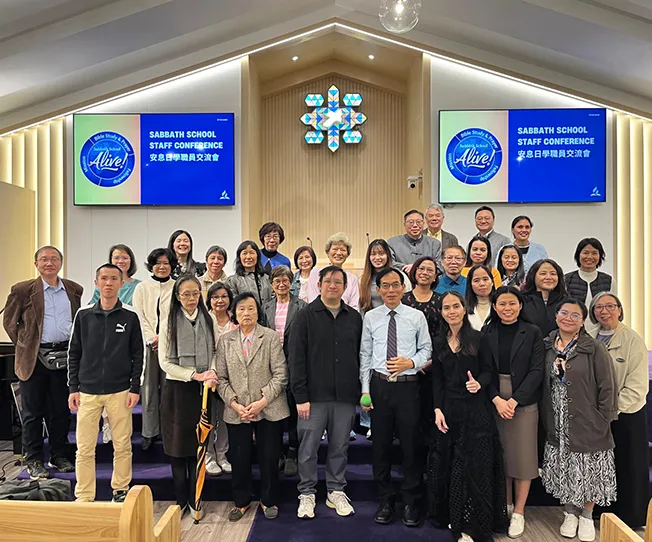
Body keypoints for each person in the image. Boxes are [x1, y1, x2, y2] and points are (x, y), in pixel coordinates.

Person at [427, 291, 508, 542]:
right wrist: (437, 409)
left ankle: (472, 524)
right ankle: (453, 516)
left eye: (456, 306)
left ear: (464, 309)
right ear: (441, 312)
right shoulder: (438, 341)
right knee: (449, 465)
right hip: (449, 411)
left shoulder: (478, 338)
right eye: (446, 307)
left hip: (475, 410)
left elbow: (488, 371)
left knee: (475, 468)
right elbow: (437, 379)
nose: (451, 311)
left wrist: (478, 384)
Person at [360, 268, 432, 527]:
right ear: (378, 290)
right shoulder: (371, 317)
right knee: (380, 446)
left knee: (411, 446)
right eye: (385, 286)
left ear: (404, 288)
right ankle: (386, 499)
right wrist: (365, 390)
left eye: (395, 285)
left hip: (408, 387)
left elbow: (427, 349)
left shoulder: (416, 316)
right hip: (379, 387)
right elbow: (365, 355)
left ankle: (411, 501)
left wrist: (410, 362)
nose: (390, 290)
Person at [289, 266, 363, 520]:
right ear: (319, 285)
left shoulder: (354, 318)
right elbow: (296, 359)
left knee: (339, 446)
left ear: (345, 287)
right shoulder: (304, 316)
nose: (333, 285)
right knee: (308, 449)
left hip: (344, 397)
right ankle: (307, 492)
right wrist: (300, 397)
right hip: (313, 398)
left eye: (338, 282)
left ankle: (336, 490)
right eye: (328, 281)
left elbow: (360, 356)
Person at [3, 246, 82, 480]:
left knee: (60, 412)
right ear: (36, 263)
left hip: (64, 357)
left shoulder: (73, 289)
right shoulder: (22, 290)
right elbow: (10, 323)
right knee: (33, 413)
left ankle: (59, 454)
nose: (49, 263)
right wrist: (27, 344)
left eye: (54, 259)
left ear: (61, 263)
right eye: (44, 259)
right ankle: (34, 459)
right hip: (33, 360)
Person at [541, 299, 617, 542]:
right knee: (565, 466)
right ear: (556, 316)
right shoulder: (547, 346)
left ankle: (586, 515)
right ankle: (570, 512)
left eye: (575, 315)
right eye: (564, 313)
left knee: (589, 467)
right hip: (557, 417)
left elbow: (608, 386)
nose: (568, 318)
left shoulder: (593, 347)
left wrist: (603, 418)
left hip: (588, 418)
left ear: (583, 321)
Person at [67, 263, 144, 503]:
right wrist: (73, 388)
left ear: (121, 283)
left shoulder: (130, 316)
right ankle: (84, 496)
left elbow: (138, 354)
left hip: (120, 390)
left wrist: (135, 388)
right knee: (84, 448)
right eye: (103, 278)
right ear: (96, 283)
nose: (108, 283)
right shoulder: (84, 315)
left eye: (113, 279)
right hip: (87, 391)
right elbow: (74, 353)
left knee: (122, 445)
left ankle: (120, 490)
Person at [216, 292, 289, 522]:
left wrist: (261, 402)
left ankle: (269, 500)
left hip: (269, 408)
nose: (246, 313)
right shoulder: (225, 341)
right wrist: (235, 404)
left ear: (258, 312)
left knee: (269, 457)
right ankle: (241, 501)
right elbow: (221, 378)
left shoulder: (270, 337)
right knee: (239, 458)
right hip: (237, 410)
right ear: (233, 313)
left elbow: (281, 374)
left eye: (251, 308)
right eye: (241, 309)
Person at [483, 286, 544, 538]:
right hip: (495, 397)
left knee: (523, 456)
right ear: (494, 307)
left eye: (512, 303)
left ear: (520, 305)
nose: (507, 308)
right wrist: (497, 399)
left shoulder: (533, 331)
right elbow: (484, 370)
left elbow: (537, 370)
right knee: (503, 455)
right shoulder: (487, 331)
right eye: (502, 304)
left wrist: (515, 400)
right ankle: (505, 506)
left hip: (524, 399)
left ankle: (519, 511)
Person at [159, 275, 218, 518]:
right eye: (186, 294)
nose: (192, 298)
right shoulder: (168, 322)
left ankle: (196, 499)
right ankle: (181, 500)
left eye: (195, 293)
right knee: (177, 449)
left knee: (198, 447)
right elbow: (164, 362)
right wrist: (194, 374)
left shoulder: (208, 318)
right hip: (177, 391)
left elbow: (215, 351)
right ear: (177, 296)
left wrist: (211, 371)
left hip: (202, 392)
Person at [589, 292, 649, 529]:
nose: (604, 311)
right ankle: (602, 512)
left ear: (620, 310)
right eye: (599, 307)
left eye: (610, 306)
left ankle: (631, 517)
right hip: (596, 416)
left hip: (626, 415)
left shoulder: (632, 339)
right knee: (602, 466)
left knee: (628, 465)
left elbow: (637, 386)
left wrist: (612, 410)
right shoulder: (589, 337)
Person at [262, 265, 307, 477]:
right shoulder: (265, 307)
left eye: (285, 280)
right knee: (275, 408)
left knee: (293, 407)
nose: (281, 284)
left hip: (295, 362)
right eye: (277, 281)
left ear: (291, 282)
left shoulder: (302, 306)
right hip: (271, 365)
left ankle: (293, 451)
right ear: (272, 284)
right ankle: (278, 451)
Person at [132, 248, 177, 452]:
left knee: (169, 390)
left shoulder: (177, 286)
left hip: (171, 346)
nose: (162, 266)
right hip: (148, 345)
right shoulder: (142, 288)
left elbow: (178, 315)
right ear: (151, 265)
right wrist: (152, 338)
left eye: (166, 263)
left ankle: (168, 431)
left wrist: (164, 338)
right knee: (149, 390)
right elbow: (139, 315)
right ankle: (149, 432)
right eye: (158, 263)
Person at [403, 256, 440, 449]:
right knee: (409, 418)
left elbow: (445, 334)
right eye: (421, 268)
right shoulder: (402, 300)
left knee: (429, 413)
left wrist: (431, 360)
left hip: (434, 366)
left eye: (430, 270)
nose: (425, 273)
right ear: (414, 272)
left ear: (435, 276)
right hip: (406, 366)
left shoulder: (441, 300)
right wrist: (412, 362)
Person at [205, 282, 237, 476]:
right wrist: (212, 371)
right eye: (215, 297)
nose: (220, 300)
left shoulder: (236, 319)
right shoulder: (204, 319)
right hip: (208, 374)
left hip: (231, 375)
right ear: (209, 300)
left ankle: (222, 455)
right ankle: (209, 456)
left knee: (226, 417)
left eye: (224, 296)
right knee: (209, 417)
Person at [564, 238, 615, 335]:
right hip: (573, 332)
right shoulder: (566, 279)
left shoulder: (609, 280)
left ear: (600, 256)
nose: (589, 257)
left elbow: (613, 309)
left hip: (601, 332)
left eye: (594, 253)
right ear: (578, 255)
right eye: (585, 253)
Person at [307, 233, 360, 310]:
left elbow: (354, 306)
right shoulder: (316, 273)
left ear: (347, 254)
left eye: (343, 250)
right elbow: (313, 301)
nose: (338, 253)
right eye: (335, 249)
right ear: (328, 252)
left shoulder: (352, 278)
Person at [359, 239, 411, 314]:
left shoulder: (400, 276)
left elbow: (409, 300)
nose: (377, 257)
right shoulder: (363, 280)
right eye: (373, 254)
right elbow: (361, 307)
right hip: (372, 319)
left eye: (381, 253)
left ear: (388, 255)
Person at [521, 259, 568, 337]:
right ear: (533, 276)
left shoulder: (566, 302)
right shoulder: (521, 300)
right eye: (543, 274)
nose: (548, 277)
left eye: (553, 274)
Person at [388, 209, 442, 275]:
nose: (415, 225)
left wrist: (418, 268)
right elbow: (389, 264)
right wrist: (404, 267)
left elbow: (440, 266)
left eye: (418, 222)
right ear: (404, 225)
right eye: (411, 222)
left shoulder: (434, 243)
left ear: (423, 224)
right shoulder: (392, 242)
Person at [226, 240, 273, 306]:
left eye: (252, 253)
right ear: (239, 257)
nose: (248, 257)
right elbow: (233, 304)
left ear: (257, 256)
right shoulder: (232, 281)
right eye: (244, 253)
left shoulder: (267, 278)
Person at [466, 264, 495, 331]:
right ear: (470, 284)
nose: (482, 284)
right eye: (476, 280)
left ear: (492, 282)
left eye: (485, 279)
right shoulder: (463, 308)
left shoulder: (500, 306)